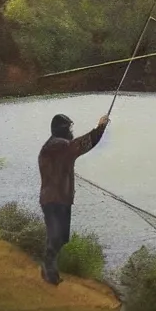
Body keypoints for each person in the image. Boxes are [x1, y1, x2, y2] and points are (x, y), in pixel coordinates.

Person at [38, 112, 109, 284]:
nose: (71, 131)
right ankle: (50, 274)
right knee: (57, 237)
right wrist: (101, 127)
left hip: (55, 199)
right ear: (62, 129)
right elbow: (84, 144)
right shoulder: (61, 146)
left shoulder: (53, 145)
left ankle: (49, 271)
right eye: (69, 127)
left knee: (60, 237)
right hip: (57, 200)